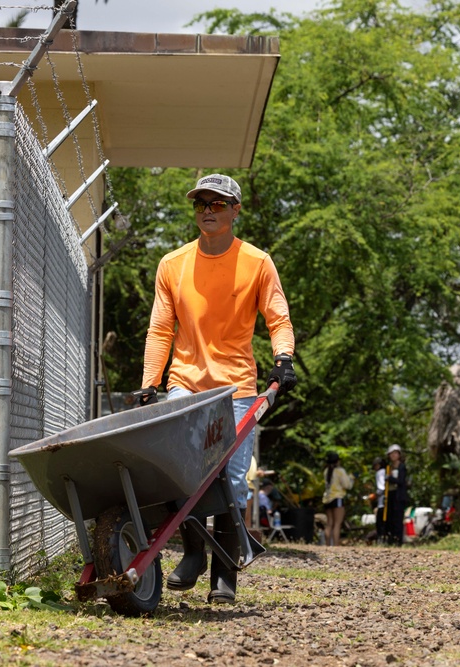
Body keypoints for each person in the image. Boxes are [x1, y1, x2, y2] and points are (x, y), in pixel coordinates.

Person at [136, 173, 298, 604]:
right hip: (185, 382)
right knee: (180, 472)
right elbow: (159, 330)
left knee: (231, 481)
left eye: (218, 203)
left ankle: (225, 574)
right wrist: (150, 383)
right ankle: (192, 553)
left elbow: (278, 319)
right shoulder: (173, 264)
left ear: (235, 210)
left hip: (238, 387)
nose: (208, 210)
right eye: (201, 203)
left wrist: (284, 359)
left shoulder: (257, 262)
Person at [321, 452, 354, 546]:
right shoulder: (340, 471)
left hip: (327, 499)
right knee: (337, 524)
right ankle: (336, 545)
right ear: (338, 461)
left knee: (329, 523)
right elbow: (347, 485)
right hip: (337, 498)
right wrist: (351, 478)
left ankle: (327, 545)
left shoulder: (326, 471)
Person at [383, 444, 409, 545]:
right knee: (390, 518)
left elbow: (401, 481)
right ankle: (390, 539)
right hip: (390, 495)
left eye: (395, 453)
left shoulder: (402, 467)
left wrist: (390, 478)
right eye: (391, 454)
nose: (393, 456)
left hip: (399, 496)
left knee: (398, 518)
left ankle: (399, 540)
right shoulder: (389, 467)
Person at [369, 456, 387, 544]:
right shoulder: (387, 471)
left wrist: (375, 495)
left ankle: (381, 540)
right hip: (388, 501)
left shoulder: (380, 472)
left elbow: (381, 487)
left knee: (380, 523)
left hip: (382, 502)